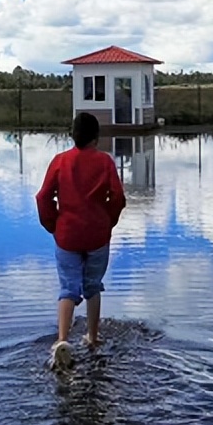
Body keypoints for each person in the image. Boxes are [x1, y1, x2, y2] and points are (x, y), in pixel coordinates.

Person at [36, 112, 126, 370]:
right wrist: (108, 221)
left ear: (72, 135)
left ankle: (62, 340)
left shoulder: (60, 161)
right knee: (92, 286)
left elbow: (43, 197)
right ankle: (93, 337)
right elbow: (118, 198)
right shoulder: (105, 162)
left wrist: (53, 224)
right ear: (96, 137)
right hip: (97, 235)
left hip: (67, 236)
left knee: (68, 288)